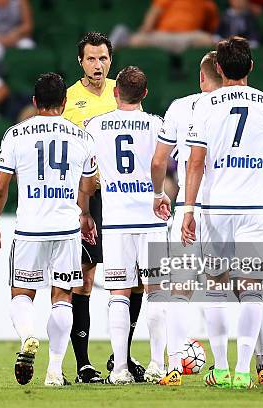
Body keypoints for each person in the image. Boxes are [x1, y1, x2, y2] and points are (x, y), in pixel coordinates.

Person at [152, 50, 263, 386]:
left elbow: (161, 160)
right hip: (235, 206)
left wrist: (163, 195)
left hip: (193, 210)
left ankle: (173, 367)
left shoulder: (182, 107)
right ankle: (261, 366)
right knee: (247, 290)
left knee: (182, 291)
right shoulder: (257, 106)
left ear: (202, 77)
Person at [181, 36, 263, 389]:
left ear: (218, 68)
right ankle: (244, 371)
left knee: (217, 290)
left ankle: (219, 370)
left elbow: (195, 164)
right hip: (256, 210)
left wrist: (189, 208)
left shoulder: (205, 106)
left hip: (217, 209)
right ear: (251, 66)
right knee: (252, 291)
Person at [0, 72, 98, 387]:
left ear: (35, 103)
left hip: (30, 228)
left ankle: (28, 336)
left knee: (22, 294)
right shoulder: (82, 136)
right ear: (64, 103)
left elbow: (0, 187)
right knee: (62, 298)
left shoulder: (15, 134)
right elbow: (88, 184)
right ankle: (54, 372)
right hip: (66, 228)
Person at [62, 32, 145, 384]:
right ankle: (83, 364)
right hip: (86, 199)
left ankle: (121, 357)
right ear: (80, 61)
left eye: (104, 59)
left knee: (137, 278)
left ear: (111, 60)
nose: (98, 65)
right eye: (92, 59)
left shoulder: (120, 94)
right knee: (84, 277)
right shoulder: (68, 101)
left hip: (123, 197)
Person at [84, 66, 166, 385]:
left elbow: (88, 177)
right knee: (156, 292)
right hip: (150, 217)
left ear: (115, 92)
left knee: (118, 293)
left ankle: (119, 370)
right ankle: (158, 365)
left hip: (115, 219)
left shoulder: (94, 125)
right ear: (145, 94)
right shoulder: (158, 125)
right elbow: (164, 165)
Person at [112, 0, 218, 53]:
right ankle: (117, 41)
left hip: (188, 37)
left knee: (208, 39)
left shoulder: (207, 3)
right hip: (164, 35)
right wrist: (146, 28)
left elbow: (211, 27)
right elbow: (154, 12)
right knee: (138, 40)